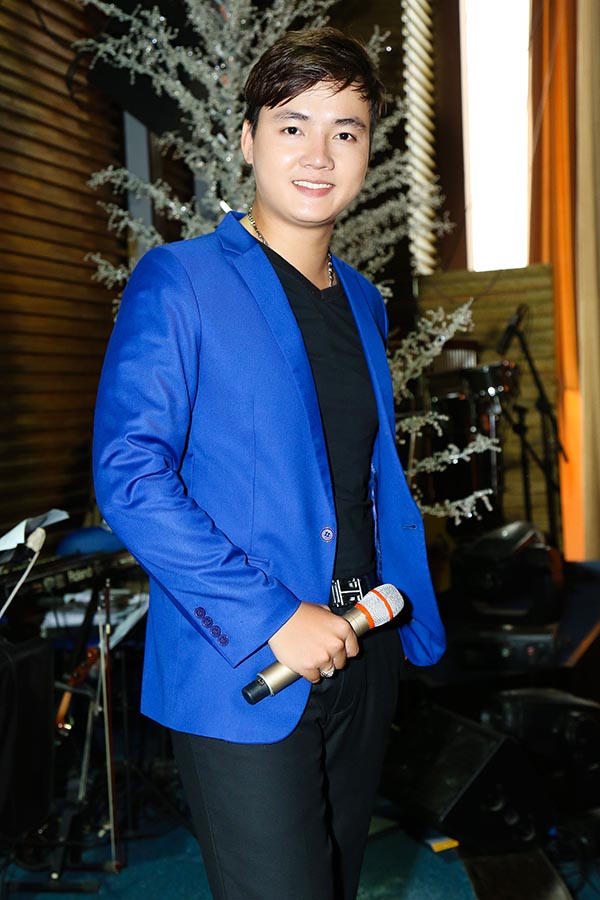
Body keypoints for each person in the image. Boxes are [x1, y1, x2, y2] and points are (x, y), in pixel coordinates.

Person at [93, 26, 445, 900]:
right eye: (293, 126)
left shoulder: (363, 300)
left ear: (366, 150)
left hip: (363, 649)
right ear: (249, 140)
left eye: (345, 130)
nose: (319, 154)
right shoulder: (180, 280)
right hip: (248, 662)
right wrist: (273, 616)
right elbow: (130, 473)